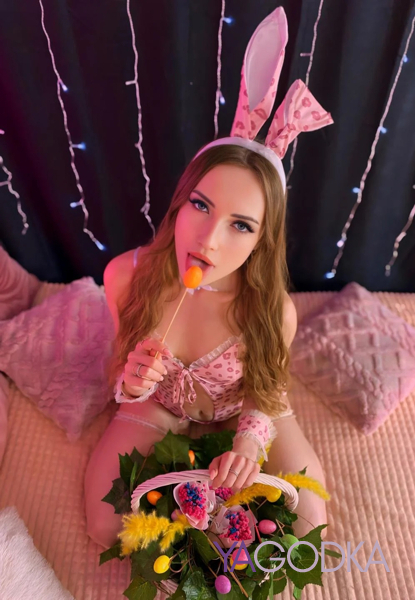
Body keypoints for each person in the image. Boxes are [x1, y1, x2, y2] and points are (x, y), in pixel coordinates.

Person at [84, 6, 333, 549]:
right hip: (158, 409)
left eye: (240, 225)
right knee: (106, 529)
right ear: (180, 202)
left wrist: (249, 444)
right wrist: (133, 381)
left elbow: (267, 390)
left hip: (242, 409)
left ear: (262, 239)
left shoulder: (273, 309)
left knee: (308, 525)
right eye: (201, 205)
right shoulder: (124, 276)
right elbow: (121, 374)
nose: (209, 240)